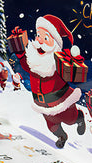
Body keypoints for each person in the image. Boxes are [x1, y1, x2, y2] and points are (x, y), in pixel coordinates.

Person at [11, 15, 85, 148]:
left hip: (62, 103)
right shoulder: (34, 61)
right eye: (38, 35)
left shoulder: (56, 63)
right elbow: (27, 66)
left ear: (55, 44)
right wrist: (21, 54)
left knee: (70, 119)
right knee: (52, 126)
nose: (40, 41)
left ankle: (79, 118)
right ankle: (62, 136)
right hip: (43, 106)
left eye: (46, 38)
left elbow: (70, 72)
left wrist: (73, 62)